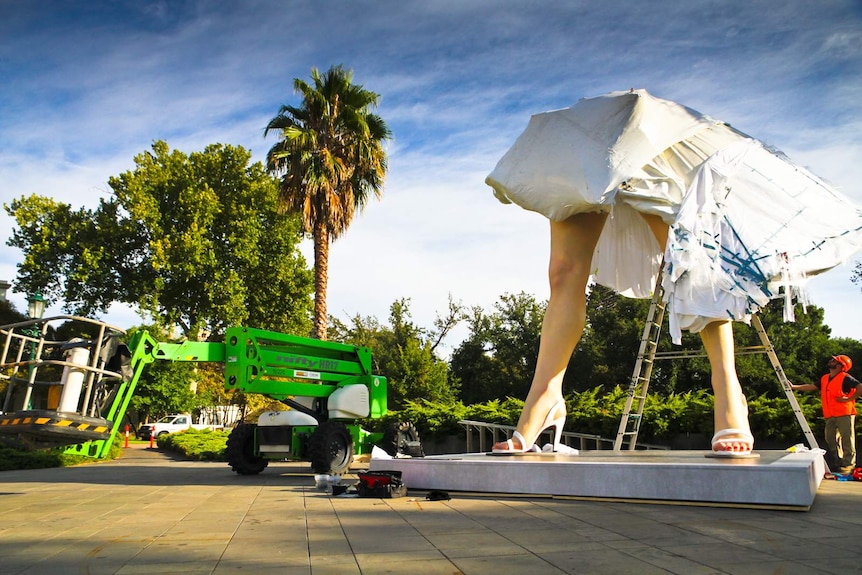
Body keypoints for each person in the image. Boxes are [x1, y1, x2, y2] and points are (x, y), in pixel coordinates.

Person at [488, 212, 753, 456]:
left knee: (686, 252)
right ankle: (546, 397)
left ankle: (728, 390)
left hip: (649, 160)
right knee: (563, 271)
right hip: (586, 159)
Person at [790, 355, 861, 475]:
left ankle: (849, 465)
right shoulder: (825, 378)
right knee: (830, 439)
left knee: (847, 439)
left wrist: (849, 398)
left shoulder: (846, 378)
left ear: (840, 366)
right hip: (830, 415)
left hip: (845, 413)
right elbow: (812, 386)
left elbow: (860, 387)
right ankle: (839, 463)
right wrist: (794, 387)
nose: (831, 361)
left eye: (834, 361)